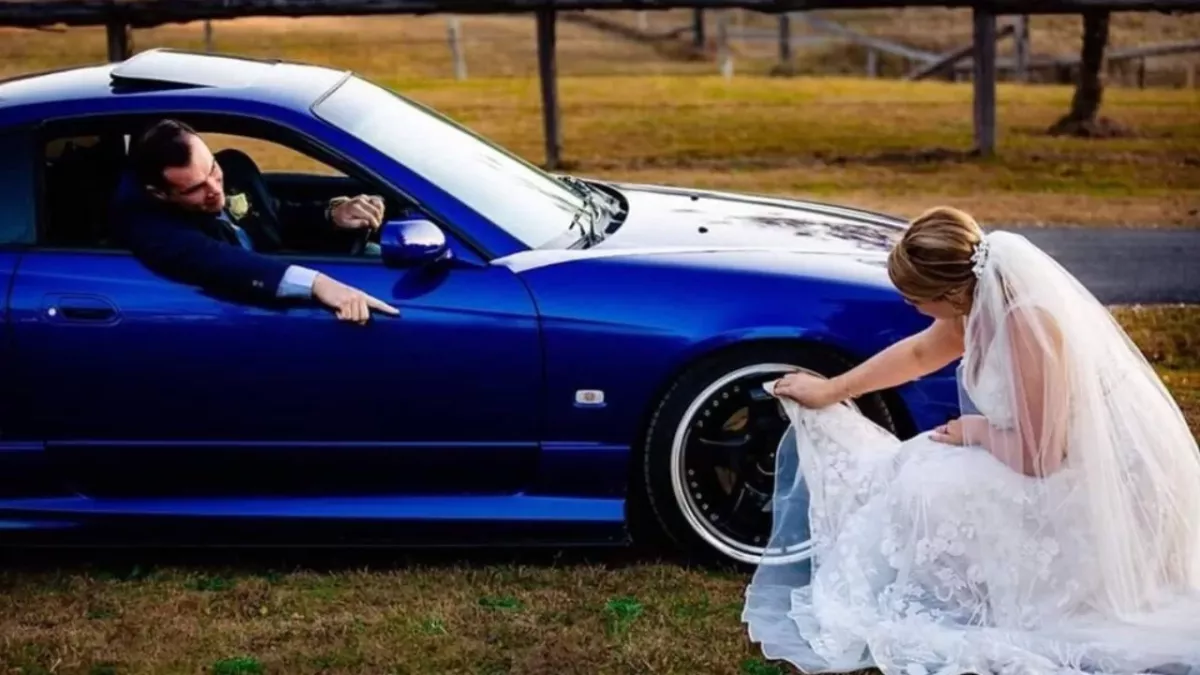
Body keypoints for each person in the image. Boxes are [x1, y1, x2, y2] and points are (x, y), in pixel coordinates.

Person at [743, 207, 1200, 675]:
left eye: (916, 300)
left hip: (1085, 485)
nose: (911, 308)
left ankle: (983, 594)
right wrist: (832, 389)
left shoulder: (1027, 324)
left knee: (931, 480)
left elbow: (1041, 456)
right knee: (918, 463)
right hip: (1038, 457)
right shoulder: (978, 301)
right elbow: (920, 352)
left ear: (950, 292)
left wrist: (975, 431)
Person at [111, 119, 399, 324]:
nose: (214, 189)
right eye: (194, 188)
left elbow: (275, 217)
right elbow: (221, 262)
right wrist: (321, 286)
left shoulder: (235, 169)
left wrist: (333, 215)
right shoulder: (149, 226)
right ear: (160, 193)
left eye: (212, 168)